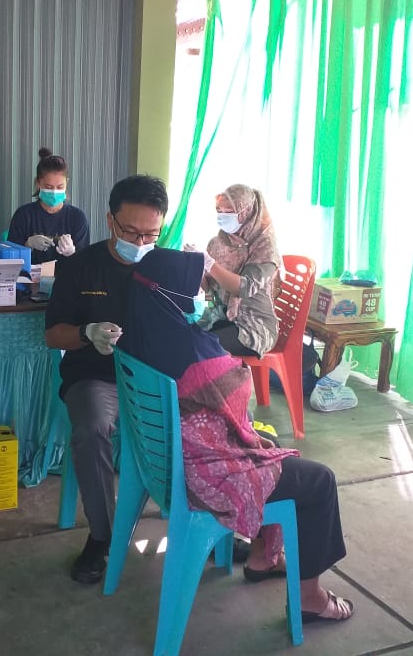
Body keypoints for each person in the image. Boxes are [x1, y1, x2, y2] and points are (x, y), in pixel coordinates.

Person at [122, 248, 353, 624]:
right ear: (171, 291)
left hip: (165, 464)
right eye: (195, 286)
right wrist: (251, 437)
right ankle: (310, 597)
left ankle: (263, 556)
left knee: (271, 444)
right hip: (207, 476)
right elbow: (236, 400)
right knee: (318, 481)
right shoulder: (195, 354)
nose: (200, 294)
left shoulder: (135, 337)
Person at [44, 173, 167, 584]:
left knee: (206, 421)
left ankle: (215, 517)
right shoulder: (81, 267)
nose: (141, 242)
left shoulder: (165, 267)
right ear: (110, 220)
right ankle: (103, 535)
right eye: (131, 231)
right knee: (92, 429)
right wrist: (87, 333)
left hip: (152, 376)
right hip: (97, 376)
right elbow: (52, 334)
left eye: (151, 234)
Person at [191, 184, 281, 358]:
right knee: (181, 335)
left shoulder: (265, 246)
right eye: (219, 211)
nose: (222, 216)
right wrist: (195, 267)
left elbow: (244, 288)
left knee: (201, 346)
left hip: (254, 325)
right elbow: (207, 289)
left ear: (246, 212)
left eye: (229, 212)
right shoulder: (218, 243)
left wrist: (209, 263)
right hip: (221, 316)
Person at [8, 148, 90, 265]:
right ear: (38, 183)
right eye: (49, 187)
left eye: (60, 187)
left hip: (65, 275)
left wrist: (72, 253)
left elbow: (85, 264)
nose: (54, 192)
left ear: (67, 183)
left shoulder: (77, 217)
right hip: (29, 275)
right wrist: (27, 245)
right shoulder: (24, 215)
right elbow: (10, 259)